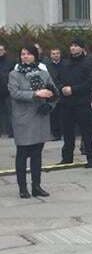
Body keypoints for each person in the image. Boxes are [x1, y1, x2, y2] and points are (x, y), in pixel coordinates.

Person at [7, 45, 58, 198]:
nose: (25, 56)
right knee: (22, 153)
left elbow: (54, 92)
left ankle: (36, 185)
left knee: (37, 153)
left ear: (35, 56)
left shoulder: (43, 74)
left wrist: (50, 104)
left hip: (40, 117)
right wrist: (36, 93)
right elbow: (15, 93)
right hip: (23, 118)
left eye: (28, 54)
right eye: (23, 54)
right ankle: (23, 188)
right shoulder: (14, 74)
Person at [58, 38, 92, 167]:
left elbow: (91, 83)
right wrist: (62, 88)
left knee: (87, 132)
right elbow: (57, 79)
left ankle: (91, 158)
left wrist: (73, 89)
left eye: (76, 46)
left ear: (82, 48)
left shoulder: (88, 63)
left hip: (82, 102)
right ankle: (67, 157)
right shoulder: (65, 63)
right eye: (72, 46)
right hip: (66, 103)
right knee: (68, 132)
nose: (73, 48)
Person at [45, 47, 64, 140]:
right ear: (50, 55)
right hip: (52, 93)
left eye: (57, 53)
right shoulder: (47, 66)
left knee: (63, 114)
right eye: (53, 53)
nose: (55, 55)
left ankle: (64, 132)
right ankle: (55, 134)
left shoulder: (65, 64)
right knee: (53, 114)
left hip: (63, 92)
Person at [0, 43, 13, 138]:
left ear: (4, 51)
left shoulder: (10, 62)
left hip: (8, 91)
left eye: (1, 50)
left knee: (10, 112)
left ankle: (11, 132)